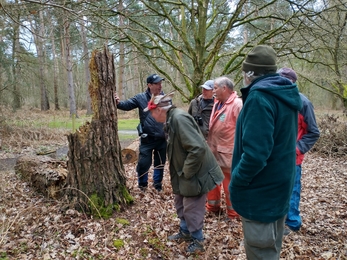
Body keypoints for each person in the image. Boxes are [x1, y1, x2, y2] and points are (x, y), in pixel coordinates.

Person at [229, 45, 302, 259]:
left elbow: (255, 155)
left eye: (245, 72)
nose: (243, 76)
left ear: (250, 73)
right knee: (270, 248)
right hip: (277, 189)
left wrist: (237, 181)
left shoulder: (259, 99)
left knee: (262, 251)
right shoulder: (283, 93)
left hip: (261, 194)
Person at [144, 91, 224, 253]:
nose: (152, 116)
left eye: (152, 112)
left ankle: (198, 240)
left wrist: (187, 171)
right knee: (181, 202)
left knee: (192, 206)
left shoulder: (179, 119)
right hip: (184, 171)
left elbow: (197, 148)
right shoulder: (172, 118)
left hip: (195, 171)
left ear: (159, 110)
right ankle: (185, 231)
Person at [278, 67, 320, 234]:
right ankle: (278, 221)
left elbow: (313, 132)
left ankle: (292, 223)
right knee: (276, 189)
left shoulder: (303, 102)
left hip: (292, 159)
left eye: (284, 80)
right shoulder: (273, 100)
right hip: (273, 157)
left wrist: (296, 149)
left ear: (292, 82)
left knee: (292, 191)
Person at [114, 73, 166, 192]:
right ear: (149, 85)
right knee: (143, 164)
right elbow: (126, 105)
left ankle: (157, 186)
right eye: (157, 83)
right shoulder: (140, 98)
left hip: (162, 138)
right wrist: (117, 102)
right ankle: (142, 186)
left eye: (160, 83)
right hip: (147, 139)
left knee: (160, 164)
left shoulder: (165, 98)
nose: (160, 86)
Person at [206, 76, 242, 220]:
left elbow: (244, 130)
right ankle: (212, 208)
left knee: (229, 185)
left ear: (224, 88)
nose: (213, 91)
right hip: (213, 152)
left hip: (229, 153)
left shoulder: (237, 104)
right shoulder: (217, 103)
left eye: (215, 88)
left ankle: (233, 214)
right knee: (212, 182)